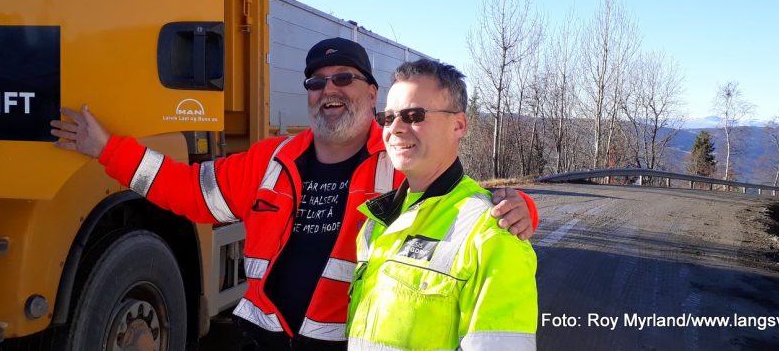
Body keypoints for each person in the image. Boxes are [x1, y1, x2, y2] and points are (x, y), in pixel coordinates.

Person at [50, 38, 538, 351]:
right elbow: (188, 191)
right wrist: (106, 149)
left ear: (372, 95)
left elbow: (453, 205)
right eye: (317, 81)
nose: (330, 89)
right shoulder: (272, 160)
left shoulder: (395, 157)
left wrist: (521, 209)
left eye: (344, 78)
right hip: (259, 337)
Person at [346, 59, 538, 350]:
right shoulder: (377, 222)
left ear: (458, 124)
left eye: (413, 115)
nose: (394, 128)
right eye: (387, 117)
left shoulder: (492, 232)